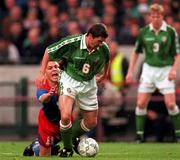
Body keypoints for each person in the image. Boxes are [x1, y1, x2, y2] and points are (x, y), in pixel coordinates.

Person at [36, 23, 110, 157]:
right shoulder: (72, 42)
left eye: (103, 41)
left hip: (89, 84)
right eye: (99, 41)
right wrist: (41, 72)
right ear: (90, 36)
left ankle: (67, 138)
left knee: (91, 122)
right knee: (65, 116)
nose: (101, 44)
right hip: (69, 80)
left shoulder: (103, 48)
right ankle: (68, 148)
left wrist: (103, 76)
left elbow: (107, 60)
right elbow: (49, 50)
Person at [125, 4, 180, 143]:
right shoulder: (144, 31)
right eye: (153, 16)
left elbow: (177, 54)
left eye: (158, 16)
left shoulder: (170, 31)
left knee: (171, 104)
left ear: (163, 16)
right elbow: (136, 52)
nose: (155, 18)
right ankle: (139, 136)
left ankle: (178, 134)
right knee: (141, 103)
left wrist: (174, 69)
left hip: (165, 70)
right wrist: (130, 71)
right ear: (150, 16)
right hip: (149, 70)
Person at [24, 61, 61, 156]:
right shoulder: (42, 86)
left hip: (65, 119)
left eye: (56, 67)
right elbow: (42, 98)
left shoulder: (67, 82)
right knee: (44, 154)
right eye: (50, 68)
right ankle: (34, 146)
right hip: (48, 121)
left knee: (75, 133)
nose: (54, 69)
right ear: (45, 73)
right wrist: (49, 95)